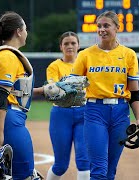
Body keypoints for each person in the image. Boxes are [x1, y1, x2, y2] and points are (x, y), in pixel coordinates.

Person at [70, 11, 139, 179]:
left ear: (117, 28)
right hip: (94, 111)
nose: (101, 29)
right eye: (99, 26)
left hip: (121, 113)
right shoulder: (85, 54)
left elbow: (134, 93)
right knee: (98, 169)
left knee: (110, 171)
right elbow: (72, 85)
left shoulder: (129, 55)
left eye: (106, 25)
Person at [0, 11, 44, 180]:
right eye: (25, 29)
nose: (27, 32)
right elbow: (1, 94)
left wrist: (45, 91)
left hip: (7, 118)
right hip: (6, 121)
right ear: (18, 31)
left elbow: (13, 91)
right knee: (26, 176)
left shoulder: (9, 55)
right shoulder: (7, 56)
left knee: (23, 175)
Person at [45, 32, 90, 180]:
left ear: (78, 46)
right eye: (66, 43)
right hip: (61, 114)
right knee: (61, 165)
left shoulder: (86, 64)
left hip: (83, 113)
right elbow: (52, 89)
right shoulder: (54, 66)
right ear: (61, 47)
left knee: (84, 162)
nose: (70, 46)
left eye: (73, 43)